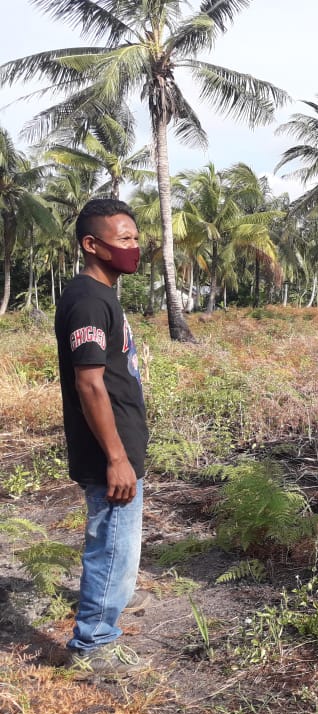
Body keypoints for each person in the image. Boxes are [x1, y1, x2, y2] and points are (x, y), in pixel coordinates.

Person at [55, 198, 149, 675]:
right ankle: (94, 643)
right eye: (124, 238)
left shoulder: (103, 294)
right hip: (110, 454)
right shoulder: (90, 299)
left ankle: (99, 634)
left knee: (117, 543)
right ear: (92, 245)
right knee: (113, 545)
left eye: (135, 237)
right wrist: (116, 457)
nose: (134, 247)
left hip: (121, 447)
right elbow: (89, 382)